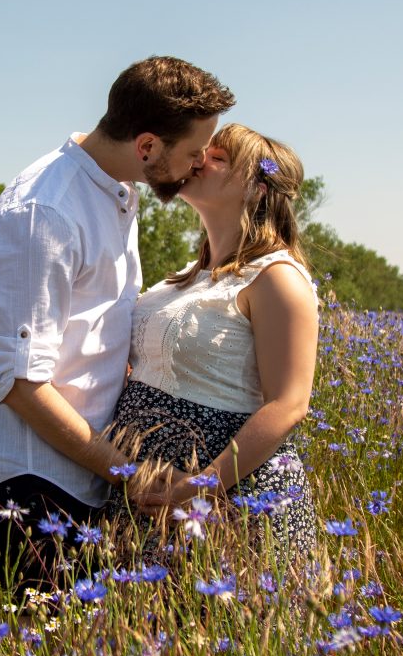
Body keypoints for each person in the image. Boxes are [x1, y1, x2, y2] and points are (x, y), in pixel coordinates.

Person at [0, 55, 236, 592]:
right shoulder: (44, 213)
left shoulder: (115, 192)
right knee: (48, 635)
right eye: (193, 152)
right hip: (37, 480)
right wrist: (127, 472)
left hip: (86, 469)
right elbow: (18, 383)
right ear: (147, 146)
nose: (199, 163)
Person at [110, 123, 320, 573]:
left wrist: (203, 485)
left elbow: (289, 403)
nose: (200, 158)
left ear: (258, 189)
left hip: (229, 495)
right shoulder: (186, 277)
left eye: (220, 157)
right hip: (151, 487)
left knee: (215, 613)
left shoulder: (277, 278)